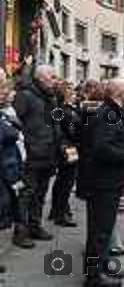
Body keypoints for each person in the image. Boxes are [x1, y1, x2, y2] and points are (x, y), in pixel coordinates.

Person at [81, 79, 124, 287]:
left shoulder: (114, 110)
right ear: (120, 93)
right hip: (104, 183)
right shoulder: (108, 114)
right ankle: (94, 277)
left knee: (102, 229)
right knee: (100, 232)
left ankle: (100, 266)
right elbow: (102, 147)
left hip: (109, 182)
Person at [13, 65, 61, 248]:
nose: (55, 80)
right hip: (32, 154)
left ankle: (35, 225)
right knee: (27, 193)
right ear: (41, 78)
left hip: (49, 153)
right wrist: (29, 144)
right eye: (53, 77)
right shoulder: (26, 95)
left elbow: (57, 121)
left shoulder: (52, 98)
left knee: (40, 193)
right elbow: (16, 122)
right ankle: (21, 231)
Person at [0, 80, 26, 270]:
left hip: (9, 167)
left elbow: (15, 129)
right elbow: (9, 134)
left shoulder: (5, 113)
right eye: (3, 91)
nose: (8, 95)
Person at [49, 82, 80, 227]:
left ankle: (56, 210)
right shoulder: (66, 111)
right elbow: (72, 132)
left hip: (65, 147)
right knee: (66, 182)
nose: (74, 95)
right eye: (71, 92)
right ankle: (62, 213)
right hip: (69, 149)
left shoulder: (62, 109)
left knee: (61, 180)